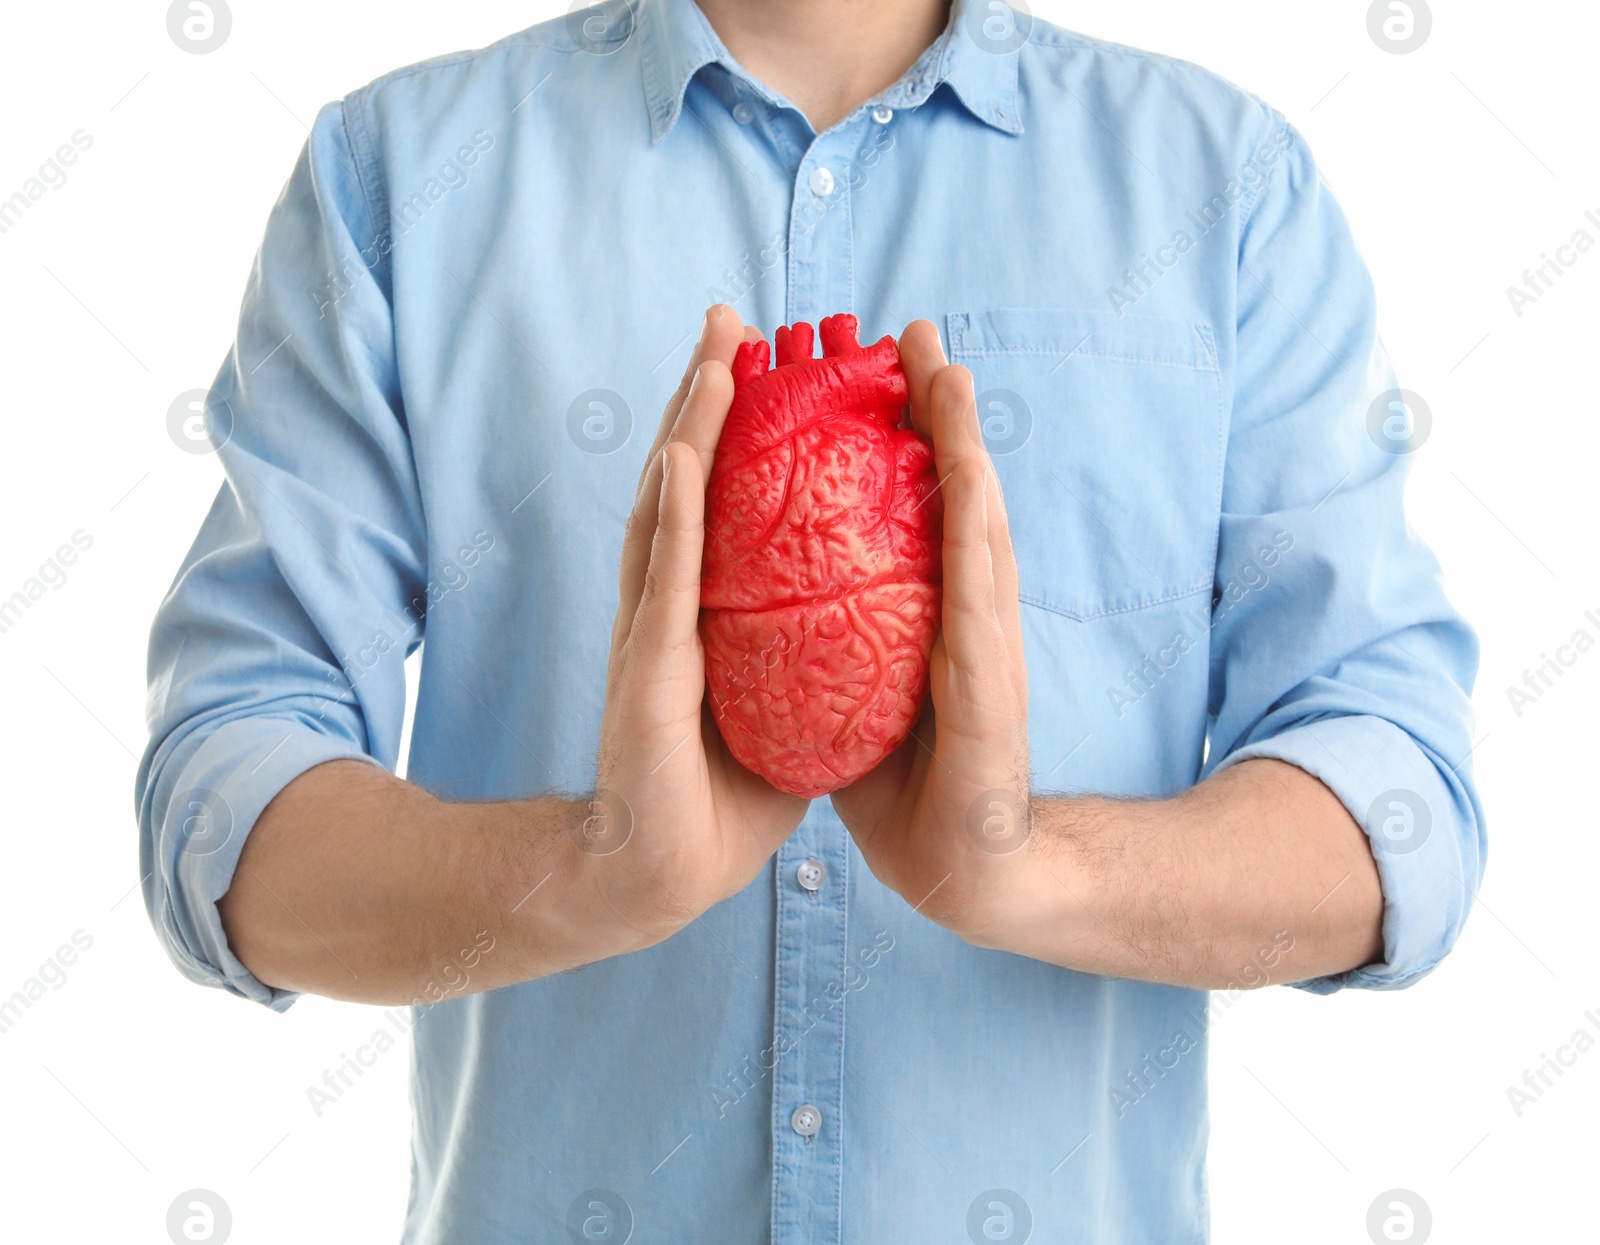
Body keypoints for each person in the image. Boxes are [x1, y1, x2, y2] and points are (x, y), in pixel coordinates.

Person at [137, 0, 1484, 1239]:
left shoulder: (1224, 188)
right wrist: (592, 870)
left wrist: (1030, 865)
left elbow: (1396, 792)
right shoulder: (398, 180)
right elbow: (226, 781)